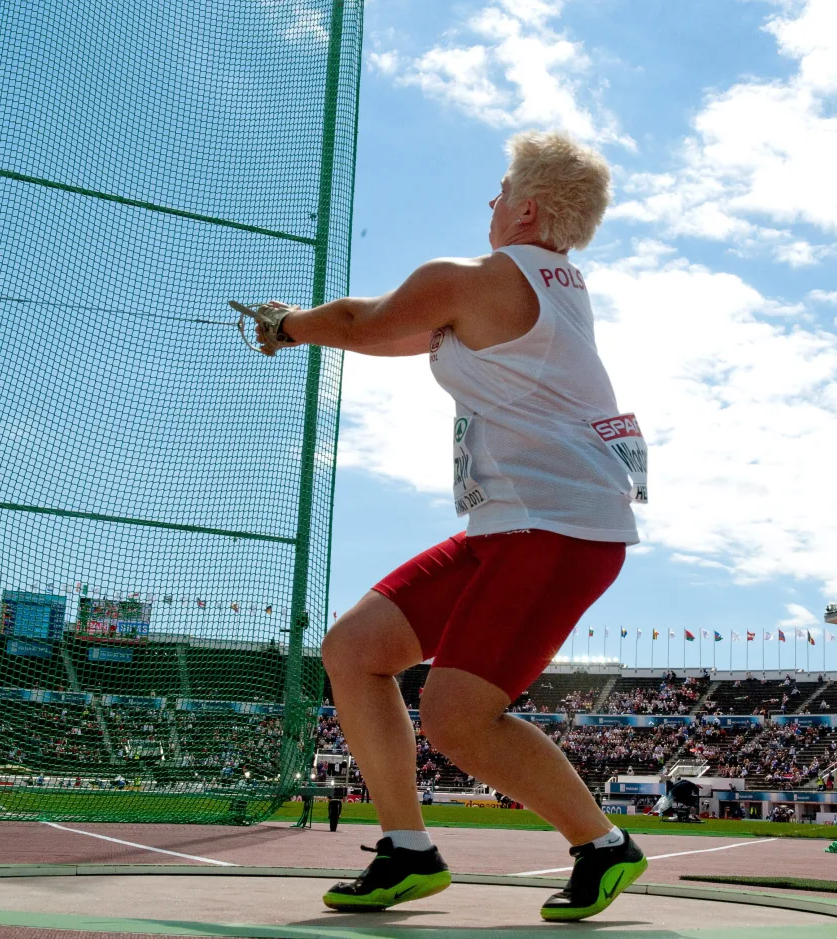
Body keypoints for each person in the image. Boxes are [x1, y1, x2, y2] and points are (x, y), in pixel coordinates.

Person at [237, 130, 646, 922]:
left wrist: (289, 323)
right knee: (354, 651)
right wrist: (309, 327)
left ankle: (603, 845)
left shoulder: (474, 278)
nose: (487, 203)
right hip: (516, 526)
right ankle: (408, 852)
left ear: (526, 206)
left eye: (498, 191)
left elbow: (364, 323)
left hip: (557, 531)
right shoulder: (552, 285)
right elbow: (402, 333)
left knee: (457, 717)